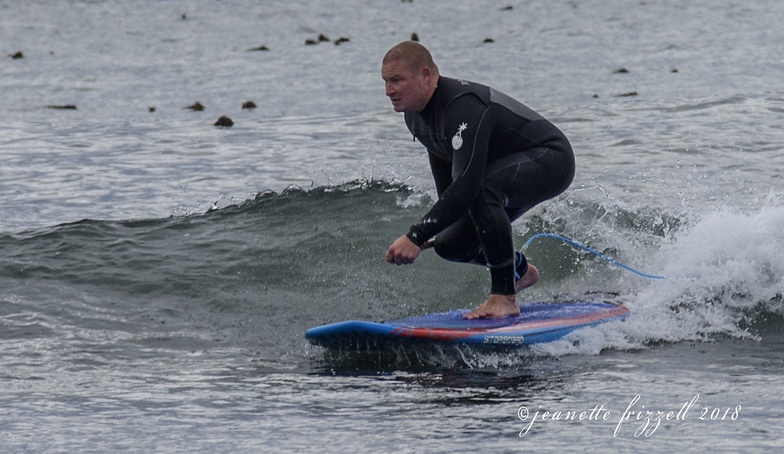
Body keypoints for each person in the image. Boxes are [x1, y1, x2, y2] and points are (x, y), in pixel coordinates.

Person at [382, 41, 575, 319]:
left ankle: (505, 296)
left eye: (397, 80)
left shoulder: (463, 106)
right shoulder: (414, 116)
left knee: (483, 190)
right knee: (451, 244)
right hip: (498, 171)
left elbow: (468, 185)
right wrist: (443, 226)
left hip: (551, 159)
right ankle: (520, 271)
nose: (389, 90)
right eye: (386, 81)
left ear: (425, 75)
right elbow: (449, 182)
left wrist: (415, 235)